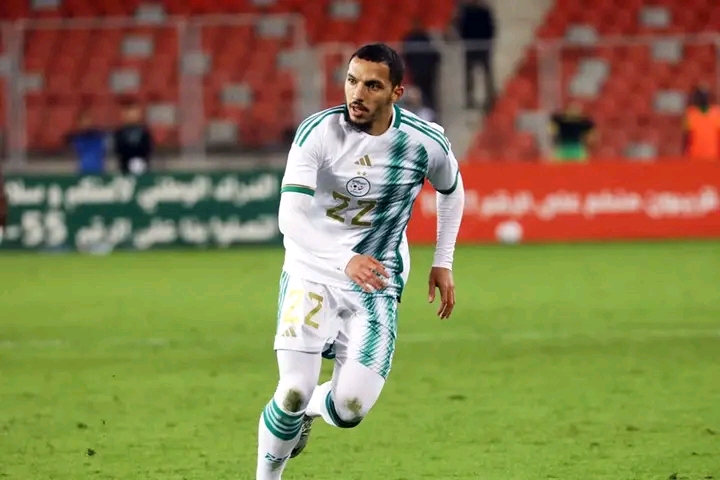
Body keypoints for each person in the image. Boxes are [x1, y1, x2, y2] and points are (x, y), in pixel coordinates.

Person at [256, 43, 465, 479]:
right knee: (292, 390)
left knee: (349, 408)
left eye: (372, 85)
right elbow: (289, 217)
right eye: (352, 81)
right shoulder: (318, 132)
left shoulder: (423, 142)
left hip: (376, 282)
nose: (357, 93)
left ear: (396, 93)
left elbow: (451, 188)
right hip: (311, 272)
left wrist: (442, 260)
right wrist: (344, 258)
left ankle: (313, 409)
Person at [455, 0, 496, 111]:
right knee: (469, 75)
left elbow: (491, 27)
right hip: (470, 47)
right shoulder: (465, 11)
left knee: (487, 74)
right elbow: (461, 27)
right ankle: (469, 99)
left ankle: (490, 98)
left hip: (483, 46)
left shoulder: (484, 10)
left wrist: (487, 42)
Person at [402, 19, 441, 111]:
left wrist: (432, 67)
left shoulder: (425, 37)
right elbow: (406, 56)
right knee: (419, 93)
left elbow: (435, 54)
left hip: (428, 72)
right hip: (416, 72)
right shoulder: (409, 39)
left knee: (430, 93)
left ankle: (432, 110)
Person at [113, 100, 153, 175]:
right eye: (128, 113)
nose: (131, 115)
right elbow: (118, 150)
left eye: (134, 112)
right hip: (125, 168)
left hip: (142, 168)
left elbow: (147, 149)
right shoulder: (119, 133)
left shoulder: (144, 132)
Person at [683, 84, 720, 162]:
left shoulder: (716, 113)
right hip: (695, 156)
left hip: (713, 157)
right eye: (701, 96)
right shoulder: (691, 113)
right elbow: (687, 136)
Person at [66, 110, 108, 175]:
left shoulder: (99, 136)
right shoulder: (77, 139)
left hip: (98, 170)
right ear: (79, 123)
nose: (86, 123)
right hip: (83, 170)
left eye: (87, 121)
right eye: (83, 121)